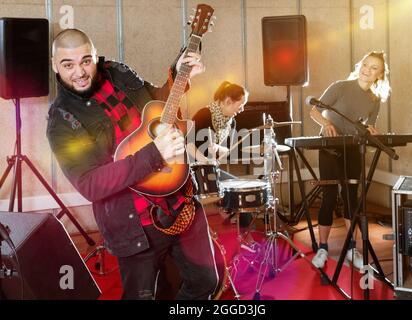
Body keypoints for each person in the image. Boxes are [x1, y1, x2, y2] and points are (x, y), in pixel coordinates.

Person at [46, 28, 218, 299]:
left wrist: (179, 75)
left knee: (206, 282)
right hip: (135, 226)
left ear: (95, 56)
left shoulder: (119, 71)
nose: (79, 72)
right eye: (68, 65)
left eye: (86, 61)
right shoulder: (62, 121)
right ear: (55, 65)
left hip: (180, 201)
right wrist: (153, 154)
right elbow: (90, 184)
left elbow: (158, 104)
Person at [309, 51, 391, 269]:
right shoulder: (340, 87)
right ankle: (323, 248)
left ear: (379, 75)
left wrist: (371, 132)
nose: (367, 70)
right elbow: (314, 111)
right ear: (360, 65)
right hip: (330, 148)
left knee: (351, 198)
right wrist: (325, 124)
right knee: (328, 197)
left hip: (353, 150)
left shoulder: (374, 100)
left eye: (374, 68)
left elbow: (367, 127)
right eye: (366, 64)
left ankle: (352, 247)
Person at [189, 81, 258, 253]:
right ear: (227, 101)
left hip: (210, 170)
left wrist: (223, 150)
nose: (241, 109)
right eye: (240, 105)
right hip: (192, 170)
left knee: (241, 190)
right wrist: (205, 160)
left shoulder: (230, 122)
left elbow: (213, 146)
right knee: (236, 192)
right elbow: (188, 144)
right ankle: (229, 214)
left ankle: (244, 237)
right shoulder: (204, 114)